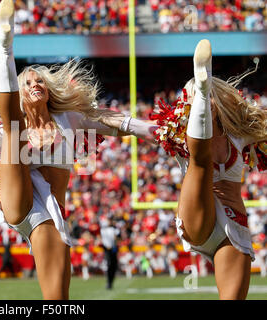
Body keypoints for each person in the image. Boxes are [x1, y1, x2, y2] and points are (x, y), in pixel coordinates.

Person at [0, 0, 125, 299]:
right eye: (29, 82)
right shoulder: (9, 129)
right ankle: (4, 46)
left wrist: (163, 131)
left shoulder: (69, 121)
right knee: (13, 130)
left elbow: (121, 124)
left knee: (59, 297)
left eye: (40, 81)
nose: (36, 84)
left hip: (50, 213)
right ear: (19, 93)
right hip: (19, 203)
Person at [100, 39, 266, 299]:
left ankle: (203, 83)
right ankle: (201, 81)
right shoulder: (176, 135)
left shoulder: (239, 136)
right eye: (190, 99)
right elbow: (128, 124)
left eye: (207, 97)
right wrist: (85, 115)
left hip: (233, 228)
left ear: (219, 101)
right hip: (197, 219)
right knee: (199, 160)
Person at [100, 217, 118, 289]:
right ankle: (108, 282)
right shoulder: (103, 230)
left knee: (113, 266)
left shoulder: (113, 229)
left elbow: (116, 238)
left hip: (113, 249)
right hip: (107, 249)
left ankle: (110, 282)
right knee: (109, 265)